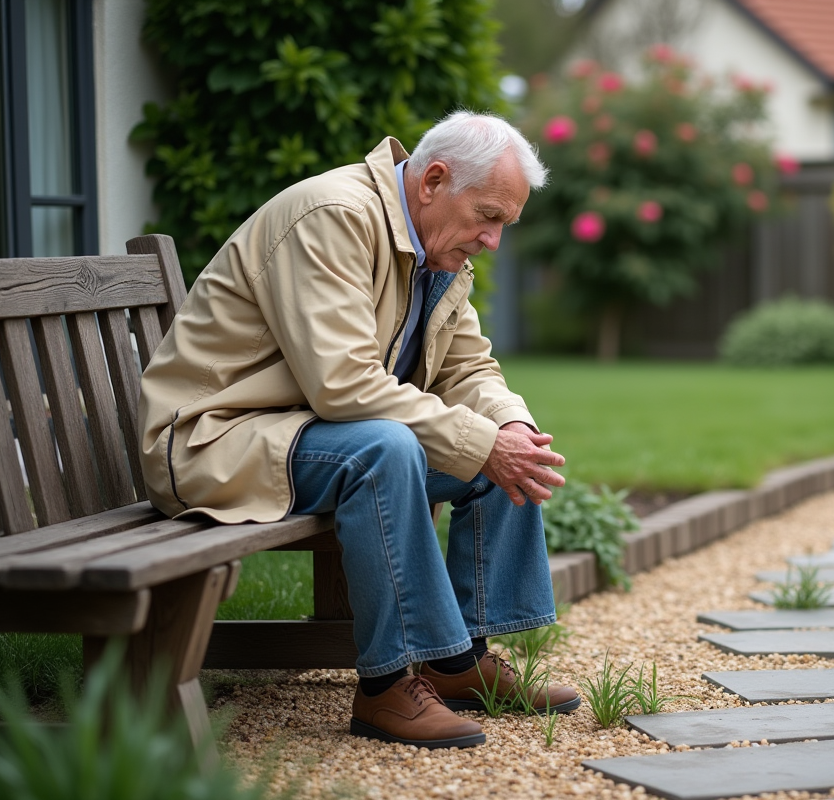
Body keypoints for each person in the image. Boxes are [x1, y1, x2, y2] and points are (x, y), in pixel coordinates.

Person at [137, 111, 577, 750]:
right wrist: (482, 444)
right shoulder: (332, 217)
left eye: (504, 224)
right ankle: (387, 686)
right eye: (488, 216)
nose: (493, 240)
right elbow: (342, 384)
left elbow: (469, 367)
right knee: (393, 448)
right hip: (212, 440)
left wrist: (510, 427)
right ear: (432, 180)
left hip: (307, 434)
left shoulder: (435, 248)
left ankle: (461, 659)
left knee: (501, 442)